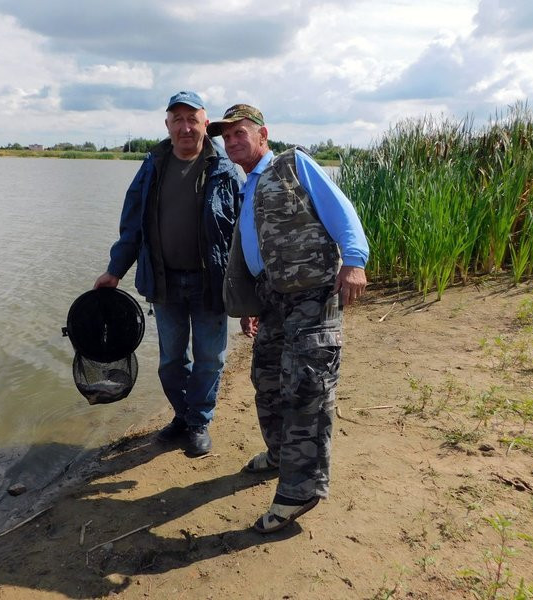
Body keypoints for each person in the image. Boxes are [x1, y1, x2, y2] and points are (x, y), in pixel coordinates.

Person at [207, 104, 369, 532]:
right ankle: (280, 454)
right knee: (267, 381)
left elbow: (342, 211)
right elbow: (250, 252)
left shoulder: (292, 165)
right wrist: (249, 306)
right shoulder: (247, 186)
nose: (232, 141)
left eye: (240, 133)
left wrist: (354, 261)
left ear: (263, 134)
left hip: (313, 298)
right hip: (273, 303)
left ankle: (299, 492)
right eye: (226, 137)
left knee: (307, 392)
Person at [94, 91, 243, 456]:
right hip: (165, 282)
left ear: (206, 125)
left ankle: (198, 422)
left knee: (211, 358)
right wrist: (115, 271)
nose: (185, 127)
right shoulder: (151, 166)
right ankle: (183, 414)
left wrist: (249, 290)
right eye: (177, 119)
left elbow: (242, 234)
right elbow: (132, 227)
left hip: (211, 282)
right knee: (170, 362)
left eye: (192, 119)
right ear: (167, 125)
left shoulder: (225, 169)